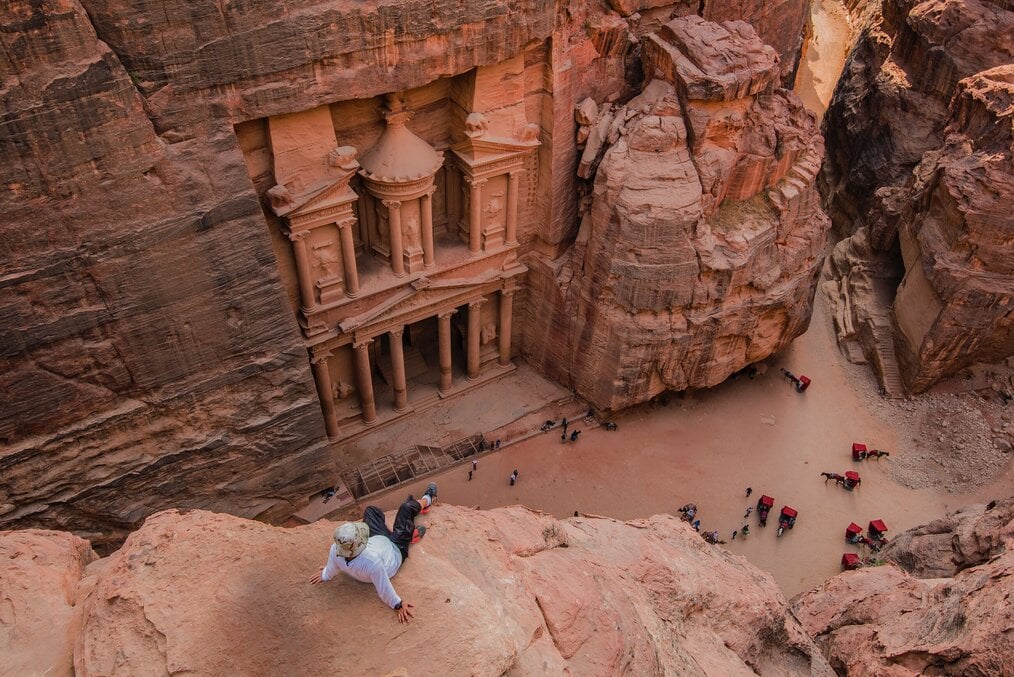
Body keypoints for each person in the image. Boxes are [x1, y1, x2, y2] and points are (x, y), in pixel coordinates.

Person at [309, 483, 437, 623]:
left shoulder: (336, 549)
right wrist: (398, 604)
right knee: (406, 508)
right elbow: (384, 588)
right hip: (395, 550)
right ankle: (428, 499)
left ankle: (404, 533)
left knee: (371, 510)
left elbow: (333, 567)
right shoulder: (372, 562)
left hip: (378, 541)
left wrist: (325, 575)